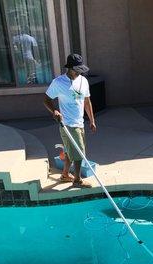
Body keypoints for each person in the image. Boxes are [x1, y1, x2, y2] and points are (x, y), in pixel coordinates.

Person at [44, 54, 96, 187]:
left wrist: (91, 120)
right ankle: (77, 180)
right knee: (79, 151)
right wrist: (54, 111)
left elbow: (86, 100)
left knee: (69, 150)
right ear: (71, 68)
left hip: (80, 122)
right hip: (67, 124)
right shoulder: (58, 82)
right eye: (78, 69)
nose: (80, 71)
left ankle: (65, 174)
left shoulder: (83, 81)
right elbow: (46, 99)